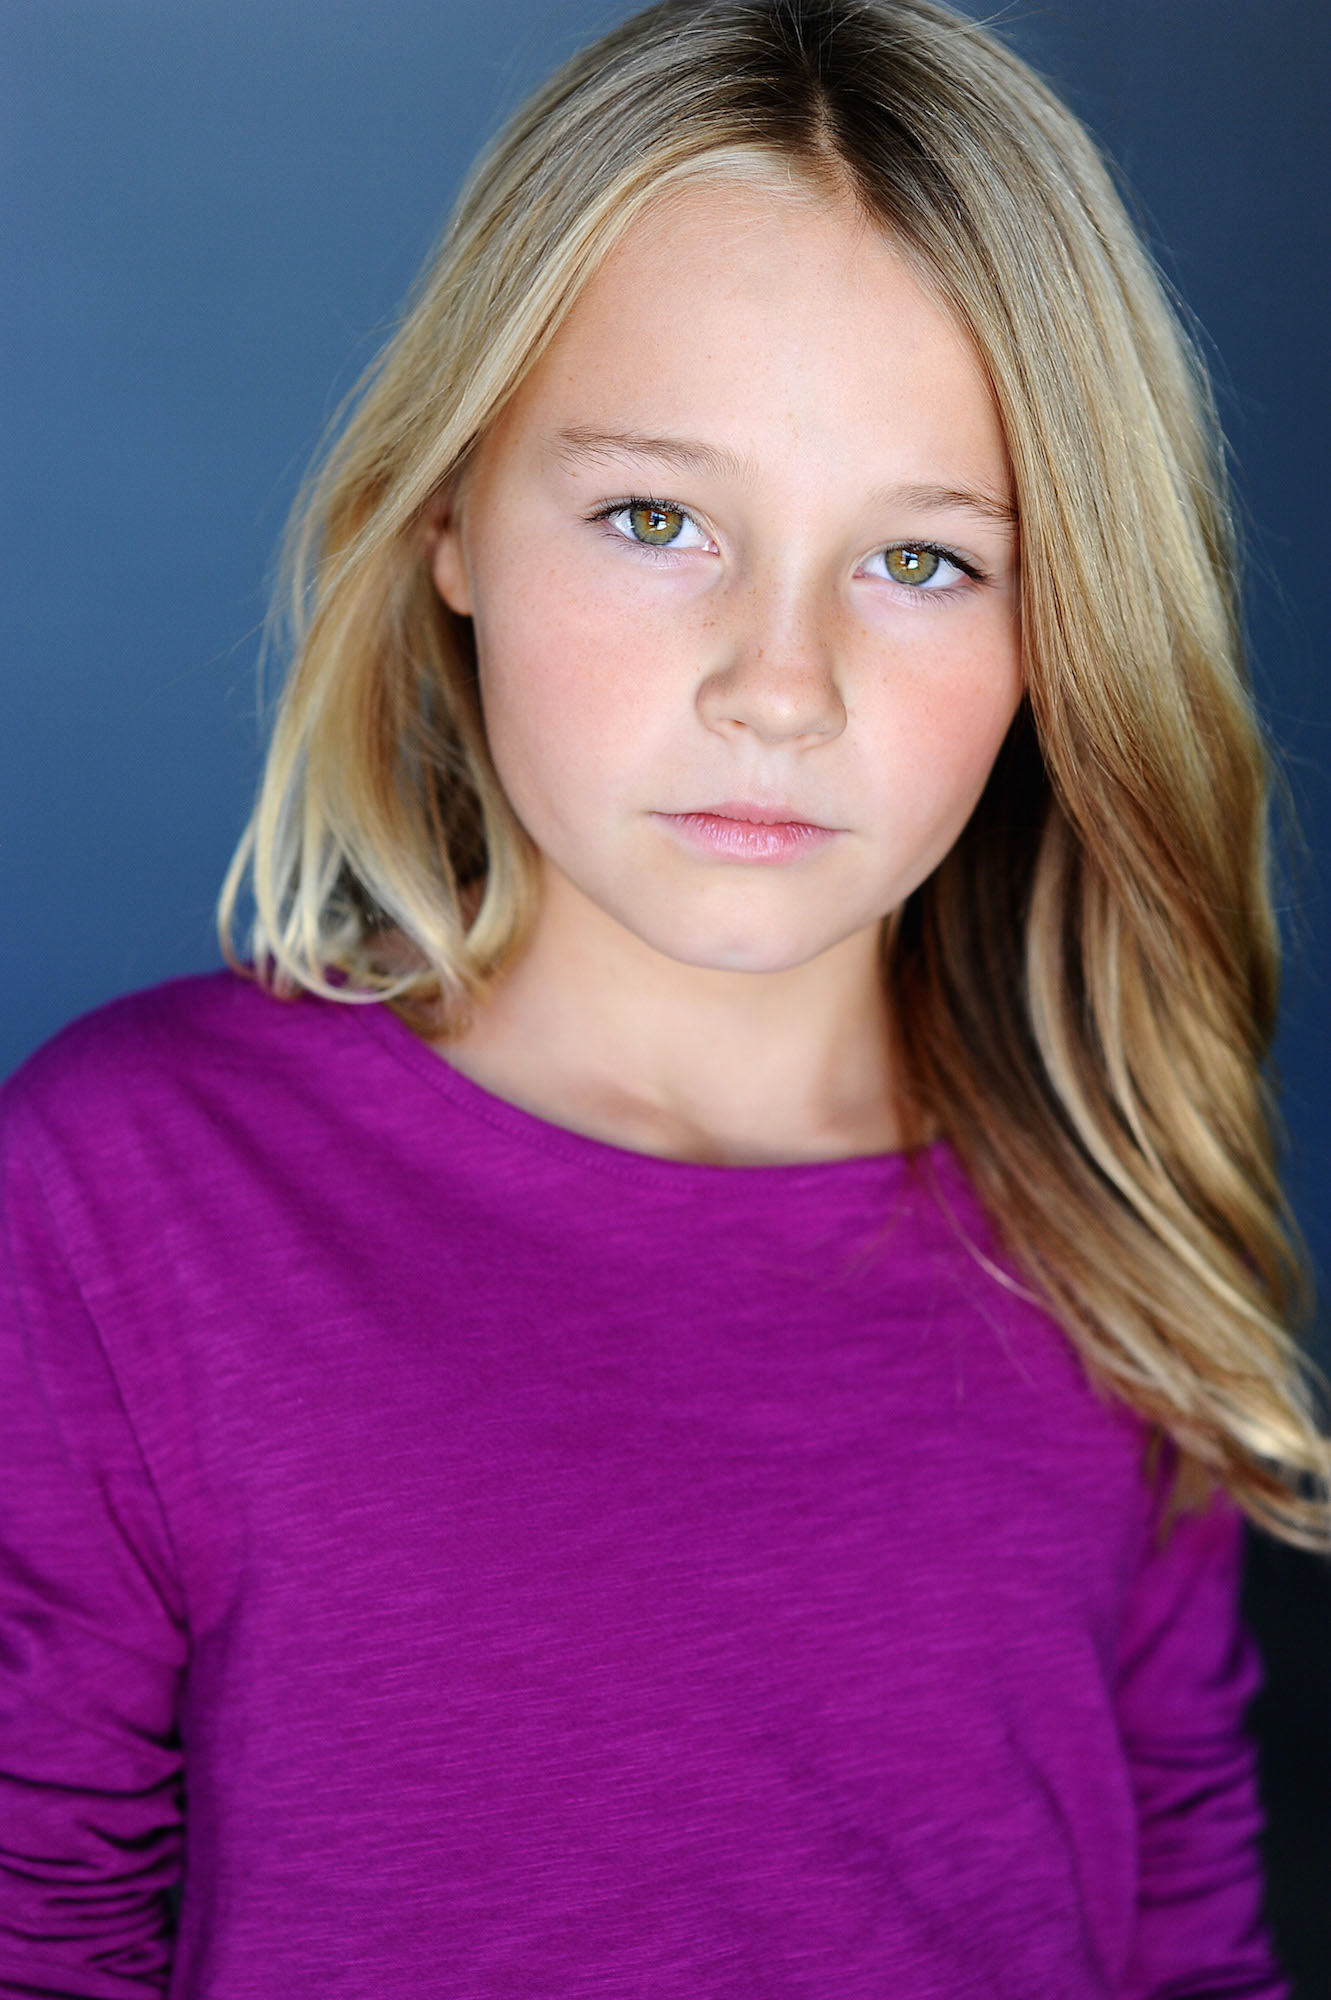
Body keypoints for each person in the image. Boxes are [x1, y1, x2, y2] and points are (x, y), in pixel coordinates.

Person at [2, 0, 1328, 1992]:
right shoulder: (125, 1196)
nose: (775, 687)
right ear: (449, 519)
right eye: (655, 520)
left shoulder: (1096, 1218)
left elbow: (1186, 1946)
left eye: (921, 561)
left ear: (1062, 631)